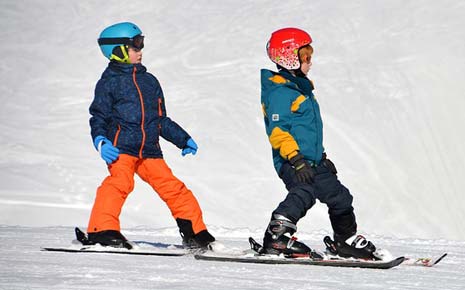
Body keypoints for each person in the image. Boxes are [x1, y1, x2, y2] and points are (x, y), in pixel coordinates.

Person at [86, 22, 215, 249]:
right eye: (135, 46)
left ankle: (195, 232)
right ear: (118, 50)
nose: (140, 51)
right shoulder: (108, 83)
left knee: (174, 188)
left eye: (141, 44)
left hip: (150, 150)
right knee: (119, 184)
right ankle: (102, 231)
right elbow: (99, 116)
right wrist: (101, 140)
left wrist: (182, 138)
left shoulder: (150, 81)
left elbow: (159, 119)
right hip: (121, 148)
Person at [260, 27, 377, 259]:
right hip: (292, 161)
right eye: (306, 57)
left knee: (340, 196)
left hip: (313, 161)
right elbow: (278, 132)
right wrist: (295, 159)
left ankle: (345, 240)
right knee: (303, 193)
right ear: (289, 57)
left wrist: (322, 157)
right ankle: (276, 238)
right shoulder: (280, 92)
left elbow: (309, 132)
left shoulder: (300, 88)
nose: (310, 63)